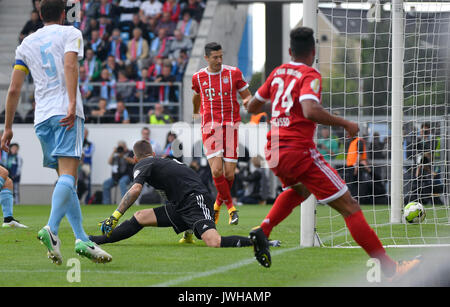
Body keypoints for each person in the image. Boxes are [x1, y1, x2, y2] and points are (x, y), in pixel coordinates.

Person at [243, 26, 420, 280]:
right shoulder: (310, 74)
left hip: (274, 151)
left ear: (290, 51)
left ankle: (264, 229)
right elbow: (309, 110)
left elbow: (251, 106)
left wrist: (245, 99)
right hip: (298, 150)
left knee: (300, 190)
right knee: (350, 206)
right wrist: (345, 123)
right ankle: (391, 269)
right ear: (313, 52)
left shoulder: (278, 73)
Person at [1, 0, 111, 264]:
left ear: (40, 14)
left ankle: (82, 238)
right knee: (69, 177)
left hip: (41, 118)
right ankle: (51, 229)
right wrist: (72, 103)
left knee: (66, 178)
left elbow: (14, 89)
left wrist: (7, 127)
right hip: (65, 113)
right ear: (63, 14)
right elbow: (70, 66)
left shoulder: (26, 43)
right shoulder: (71, 33)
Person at [90, 140, 279, 248]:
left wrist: (115, 215)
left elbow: (135, 189)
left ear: (135, 158)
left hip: (195, 201)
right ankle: (97, 241)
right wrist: (188, 229)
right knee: (140, 216)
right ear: (153, 152)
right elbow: (183, 181)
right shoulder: (165, 161)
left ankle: (261, 242)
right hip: (184, 203)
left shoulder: (143, 163)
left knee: (213, 241)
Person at [191, 42, 251, 226]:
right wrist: (196, 111)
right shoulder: (198, 77)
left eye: (220, 56)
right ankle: (232, 209)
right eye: (215, 57)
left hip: (231, 127)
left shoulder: (233, 73)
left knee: (230, 175)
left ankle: (216, 207)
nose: (218, 60)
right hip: (210, 127)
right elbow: (196, 95)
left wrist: (250, 103)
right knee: (216, 170)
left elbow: (247, 95)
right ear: (206, 58)